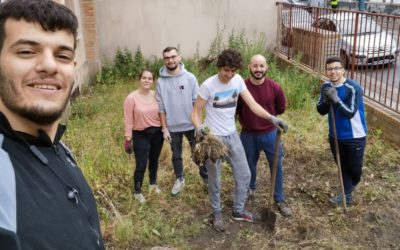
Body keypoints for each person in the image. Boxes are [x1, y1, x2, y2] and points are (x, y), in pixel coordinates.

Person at [0, 0, 104, 249]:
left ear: (73, 68)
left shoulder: (60, 148)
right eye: (26, 51)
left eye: (63, 55)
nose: (49, 66)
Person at [192, 49, 289, 232]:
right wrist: (199, 128)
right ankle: (217, 212)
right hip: (213, 139)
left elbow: (252, 105)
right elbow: (196, 111)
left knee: (244, 174)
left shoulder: (237, 81)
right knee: (215, 178)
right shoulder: (208, 86)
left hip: (233, 135)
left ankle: (238, 209)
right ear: (219, 67)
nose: (229, 74)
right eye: (226, 70)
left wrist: (272, 118)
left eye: (233, 71)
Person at [236, 54, 292, 217]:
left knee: (276, 166)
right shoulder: (242, 88)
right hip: (248, 135)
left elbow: (280, 108)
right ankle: (250, 188)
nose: (258, 69)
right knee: (248, 165)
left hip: (270, 134)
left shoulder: (274, 87)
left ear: (266, 67)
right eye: (255, 66)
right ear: (249, 67)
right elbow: (237, 109)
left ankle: (279, 198)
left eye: (261, 66)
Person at [156, 46, 207, 195]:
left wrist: (199, 126)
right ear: (164, 60)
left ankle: (206, 179)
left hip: (191, 125)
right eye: (167, 58)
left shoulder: (190, 78)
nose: (170, 60)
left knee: (198, 153)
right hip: (173, 127)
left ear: (179, 57)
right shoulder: (160, 82)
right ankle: (179, 179)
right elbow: (161, 107)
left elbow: (197, 104)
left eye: (173, 57)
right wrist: (164, 128)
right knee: (176, 155)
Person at [316, 56, 367, 206]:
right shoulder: (325, 86)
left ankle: (351, 184)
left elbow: (350, 112)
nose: (333, 72)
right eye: (330, 69)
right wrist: (326, 100)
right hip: (335, 135)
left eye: (337, 68)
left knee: (355, 169)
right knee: (342, 165)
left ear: (343, 70)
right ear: (326, 71)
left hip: (355, 136)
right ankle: (347, 194)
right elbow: (320, 110)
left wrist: (336, 99)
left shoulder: (353, 88)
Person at [124, 70, 164, 204]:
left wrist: (165, 129)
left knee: (154, 160)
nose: (147, 80)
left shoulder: (157, 95)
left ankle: (153, 184)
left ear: (153, 81)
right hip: (140, 135)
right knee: (141, 164)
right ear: (139, 79)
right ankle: (137, 191)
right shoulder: (131, 98)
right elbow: (128, 119)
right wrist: (128, 138)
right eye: (144, 78)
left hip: (157, 133)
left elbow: (162, 113)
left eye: (150, 78)